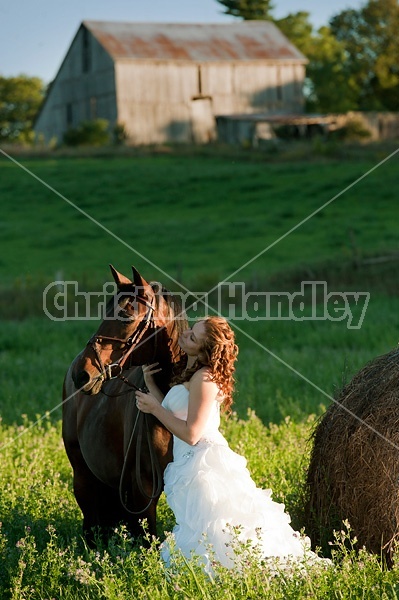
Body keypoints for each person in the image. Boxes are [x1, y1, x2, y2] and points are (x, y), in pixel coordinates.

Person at [135, 316, 328, 573]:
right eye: (191, 329)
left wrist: (154, 409)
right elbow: (177, 411)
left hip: (203, 463)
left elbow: (192, 433)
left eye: (193, 336)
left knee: (218, 529)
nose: (186, 334)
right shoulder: (191, 373)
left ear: (204, 351)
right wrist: (152, 390)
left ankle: (237, 575)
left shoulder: (204, 379)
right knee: (205, 529)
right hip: (187, 463)